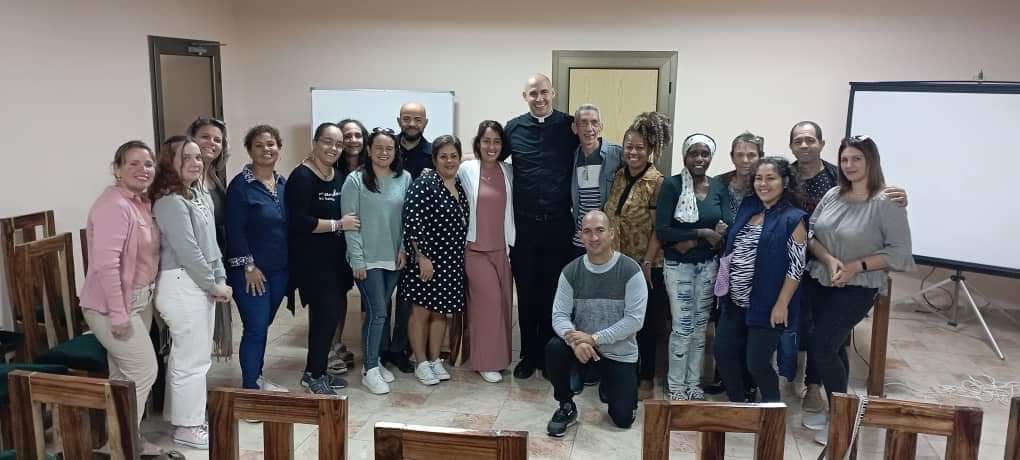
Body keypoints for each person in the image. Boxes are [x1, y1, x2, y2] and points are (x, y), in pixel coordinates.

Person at [788, 121, 908, 413]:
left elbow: (900, 253)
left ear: (871, 161)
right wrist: (828, 260)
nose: (850, 164)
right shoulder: (833, 194)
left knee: (823, 346)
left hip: (856, 286)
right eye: (845, 159)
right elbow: (811, 233)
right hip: (820, 278)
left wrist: (855, 266)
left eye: (857, 158)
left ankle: (843, 417)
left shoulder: (887, 201)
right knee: (835, 346)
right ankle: (840, 410)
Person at [79, 140, 162, 456]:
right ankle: (125, 444)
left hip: (140, 299)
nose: (143, 169)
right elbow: (105, 265)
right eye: (134, 163)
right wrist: (118, 314)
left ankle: (116, 443)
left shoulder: (139, 202)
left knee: (123, 377)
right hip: (112, 305)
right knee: (143, 371)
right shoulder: (114, 204)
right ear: (116, 169)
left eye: (149, 164)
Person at [151, 136, 232, 450]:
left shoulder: (198, 194)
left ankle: (184, 416)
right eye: (186, 157)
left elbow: (211, 244)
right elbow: (188, 252)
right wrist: (212, 285)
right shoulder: (170, 201)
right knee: (193, 361)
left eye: (198, 157)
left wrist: (220, 276)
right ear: (170, 163)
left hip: (199, 283)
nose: (196, 163)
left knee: (189, 358)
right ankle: (187, 427)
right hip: (183, 284)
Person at [714, 157, 808, 404]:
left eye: (771, 178)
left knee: (756, 364)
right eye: (758, 178)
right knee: (723, 353)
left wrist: (782, 304)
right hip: (734, 301)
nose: (763, 184)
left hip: (767, 306)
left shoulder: (793, 218)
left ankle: (772, 413)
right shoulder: (749, 207)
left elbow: (796, 267)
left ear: (785, 181)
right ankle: (738, 405)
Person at [545, 211, 647, 437]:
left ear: (611, 234)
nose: (593, 237)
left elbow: (634, 320)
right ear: (581, 236)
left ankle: (609, 384)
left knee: (623, 420)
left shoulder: (631, 271)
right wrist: (574, 341)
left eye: (600, 230)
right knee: (554, 347)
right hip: (582, 350)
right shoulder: (570, 272)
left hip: (618, 352)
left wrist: (595, 338)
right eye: (587, 231)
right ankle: (566, 405)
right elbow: (559, 315)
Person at [506, 73, 580, 379]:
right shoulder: (513, 128)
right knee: (526, 293)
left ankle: (552, 356)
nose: (539, 98)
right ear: (525, 96)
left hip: (559, 226)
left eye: (544, 92)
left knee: (555, 294)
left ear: (554, 93)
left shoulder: (570, 126)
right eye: (533, 93)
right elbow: (491, 158)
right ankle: (528, 354)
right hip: (524, 228)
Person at [655, 133, 733, 401]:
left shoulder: (719, 187)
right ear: (684, 156)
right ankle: (676, 385)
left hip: (708, 266)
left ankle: (693, 384)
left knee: (700, 327)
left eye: (705, 154)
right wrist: (702, 233)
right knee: (682, 326)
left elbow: (725, 226)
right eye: (694, 153)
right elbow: (663, 231)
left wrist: (702, 237)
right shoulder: (672, 186)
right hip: (679, 267)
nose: (699, 158)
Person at [284, 122, 361, 396]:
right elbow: (299, 221)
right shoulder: (302, 177)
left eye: (339, 144)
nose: (333, 148)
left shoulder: (338, 175)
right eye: (328, 142)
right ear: (315, 143)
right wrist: (338, 224)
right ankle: (314, 375)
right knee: (324, 317)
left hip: (336, 261)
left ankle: (315, 371)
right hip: (312, 263)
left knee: (329, 318)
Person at [603, 112, 670, 400]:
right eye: (629, 146)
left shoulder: (657, 182)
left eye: (640, 147)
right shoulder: (619, 176)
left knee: (646, 324)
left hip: (646, 266)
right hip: (617, 262)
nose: (633, 152)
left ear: (651, 150)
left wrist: (646, 262)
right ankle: (620, 371)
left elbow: (659, 229)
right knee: (618, 320)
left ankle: (646, 378)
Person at [342, 127, 411, 394]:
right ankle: (370, 369)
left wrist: (404, 248)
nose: (384, 153)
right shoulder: (355, 180)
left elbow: (408, 219)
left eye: (389, 148)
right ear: (368, 150)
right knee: (379, 311)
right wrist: (357, 260)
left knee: (377, 312)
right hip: (366, 260)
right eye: (379, 148)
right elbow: (351, 224)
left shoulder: (404, 178)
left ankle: (374, 361)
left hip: (393, 258)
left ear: (395, 151)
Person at [224, 125, 289, 392]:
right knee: (255, 327)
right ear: (249, 150)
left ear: (279, 148)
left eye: (271, 144)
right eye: (260, 145)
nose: (266, 149)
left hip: (280, 270)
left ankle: (257, 376)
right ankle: (251, 388)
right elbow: (234, 229)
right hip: (251, 272)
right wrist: (248, 265)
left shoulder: (283, 184)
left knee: (262, 325)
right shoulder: (240, 186)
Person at [401, 135, 469, 385]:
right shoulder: (425, 182)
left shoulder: (459, 184)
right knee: (421, 312)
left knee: (441, 313)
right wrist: (422, 257)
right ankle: (420, 362)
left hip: (451, 260)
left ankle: (434, 359)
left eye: (453, 156)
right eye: (443, 156)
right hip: (427, 260)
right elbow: (412, 221)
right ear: (434, 159)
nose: (449, 160)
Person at [703, 132, 765, 396]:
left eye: (751, 154)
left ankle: (749, 381)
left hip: (755, 266)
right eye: (740, 154)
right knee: (723, 321)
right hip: (721, 262)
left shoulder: (764, 184)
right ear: (731, 157)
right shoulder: (719, 183)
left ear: (760, 157)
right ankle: (725, 375)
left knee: (751, 326)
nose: (745, 160)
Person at [458, 121, 515, 383]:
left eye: (496, 142)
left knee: (503, 305)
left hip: (501, 249)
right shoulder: (466, 169)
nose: (491, 147)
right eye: (486, 141)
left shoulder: (508, 171)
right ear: (478, 143)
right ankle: (485, 362)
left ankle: (500, 359)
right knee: (488, 304)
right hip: (475, 250)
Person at [187, 116, 233, 359]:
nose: (211, 143)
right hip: (193, 268)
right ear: (190, 140)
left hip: (216, 261)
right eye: (205, 136)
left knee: (203, 338)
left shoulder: (213, 176)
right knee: (191, 342)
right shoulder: (184, 180)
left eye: (217, 140)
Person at [326, 118, 369, 376]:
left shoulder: (372, 169)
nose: (352, 140)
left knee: (369, 297)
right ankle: (333, 345)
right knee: (336, 295)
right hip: (334, 241)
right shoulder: (331, 169)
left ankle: (370, 347)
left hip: (366, 243)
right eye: (347, 136)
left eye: (357, 135)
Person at [569, 104, 623, 256]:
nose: (589, 128)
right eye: (584, 123)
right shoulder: (572, 157)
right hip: (580, 241)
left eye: (594, 122)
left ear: (601, 126)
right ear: (575, 128)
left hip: (607, 241)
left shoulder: (617, 154)